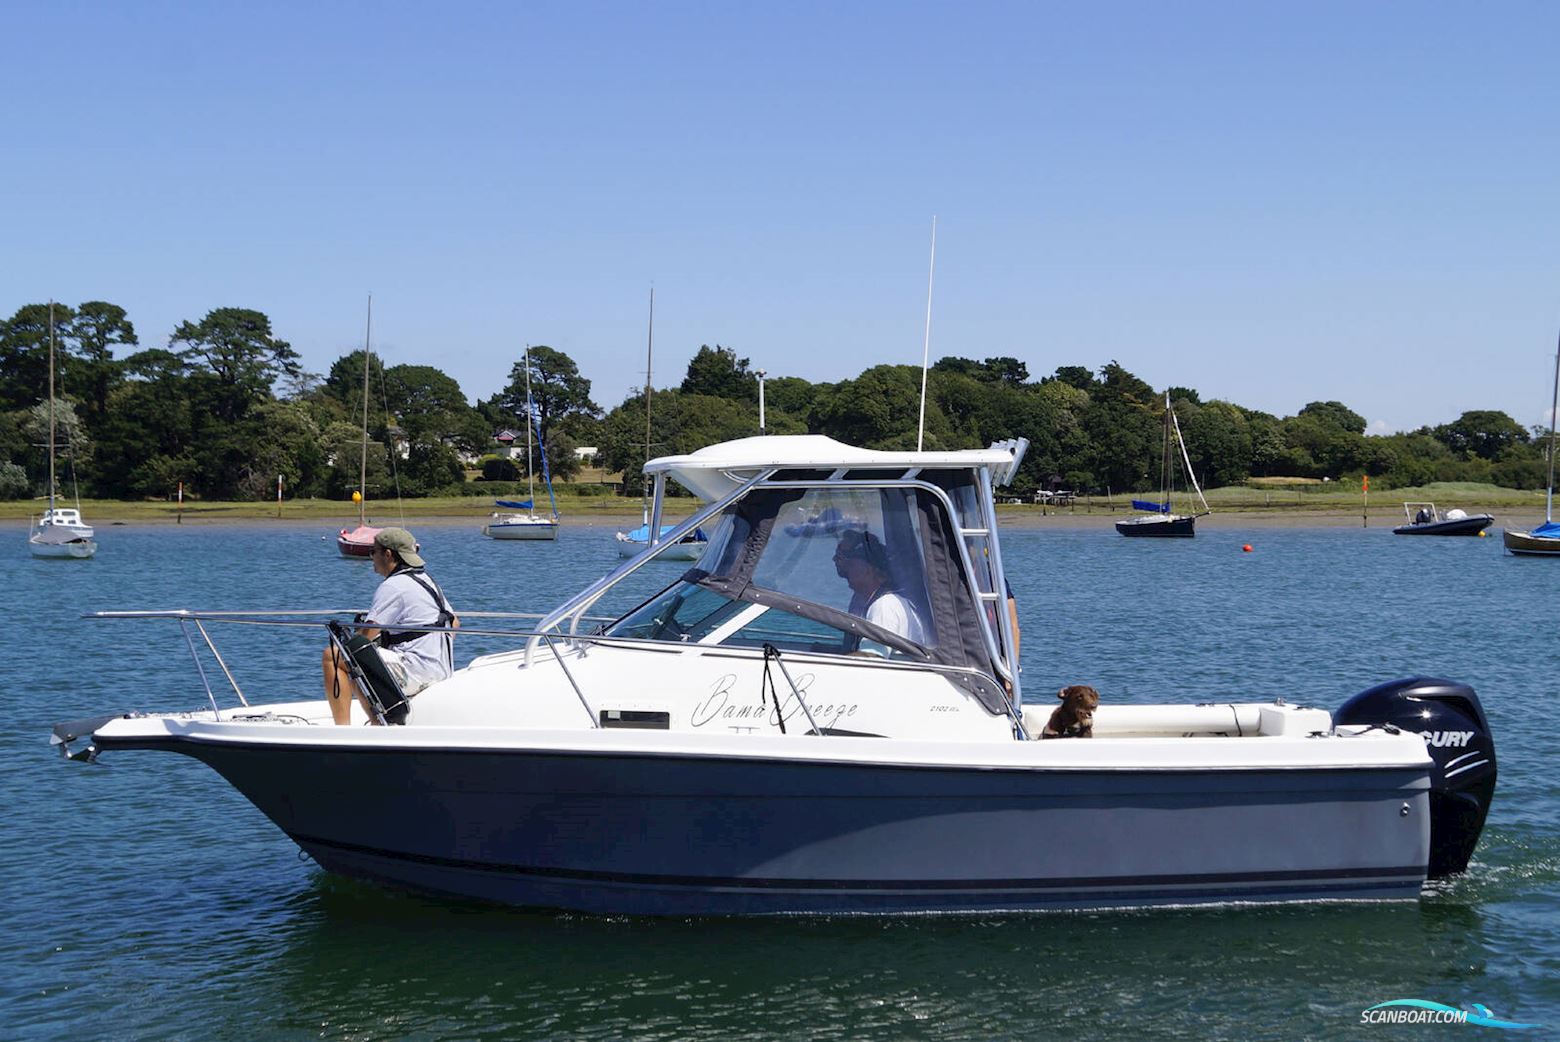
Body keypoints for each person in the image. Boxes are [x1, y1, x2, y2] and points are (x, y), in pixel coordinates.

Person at [322, 527, 458, 725]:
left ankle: (346, 728)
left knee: (334, 656)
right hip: (441, 669)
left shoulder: (393, 586)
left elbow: (363, 639)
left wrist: (356, 639)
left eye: (373, 552)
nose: (371, 558)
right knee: (360, 658)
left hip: (417, 672)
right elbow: (454, 622)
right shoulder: (426, 580)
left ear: (387, 554)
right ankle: (379, 716)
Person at [832, 529, 928, 647]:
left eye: (847, 560)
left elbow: (872, 657)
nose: (840, 565)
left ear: (869, 567)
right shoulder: (861, 600)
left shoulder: (885, 606)